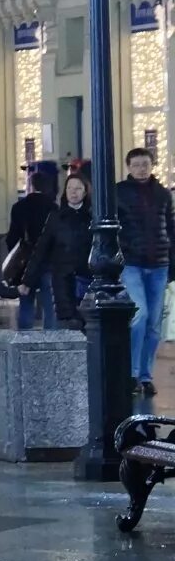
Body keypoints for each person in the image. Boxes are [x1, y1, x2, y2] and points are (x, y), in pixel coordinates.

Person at [116, 146, 175, 395]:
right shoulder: (118, 192)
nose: (142, 168)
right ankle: (131, 372)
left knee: (153, 322)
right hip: (131, 263)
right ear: (129, 167)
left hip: (159, 263)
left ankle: (145, 375)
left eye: (145, 164)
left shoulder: (163, 194)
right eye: (137, 164)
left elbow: (171, 227)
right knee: (139, 315)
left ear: (152, 166)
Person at [26, 168, 92, 328]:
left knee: (87, 320)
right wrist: (28, 279)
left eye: (78, 188)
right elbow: (41, 248)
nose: (73, 192)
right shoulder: (56, 217)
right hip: (62, 276)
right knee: (66, 319)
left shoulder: (92, 217)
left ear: (85, 192)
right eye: (69, 188)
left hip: (87, 276)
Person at [5, 162, 60, 328]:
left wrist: (15, 257)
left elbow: (12, 236)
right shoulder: (53, 207)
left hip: (25, 262)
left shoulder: (19, 207)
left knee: (25, 302)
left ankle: (24, 338)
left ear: (30, 185)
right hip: (48, 262)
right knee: (50, 306)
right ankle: (51, 340)